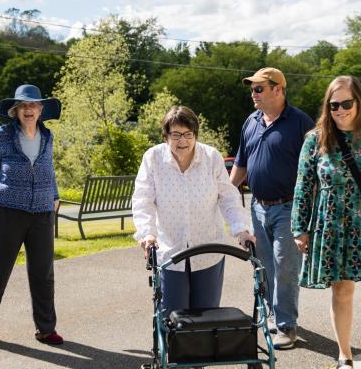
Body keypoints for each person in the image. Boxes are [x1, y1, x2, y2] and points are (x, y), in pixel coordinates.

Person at [132, 105, 253, 318]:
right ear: (165, 135)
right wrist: (147, 233)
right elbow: (143, 200)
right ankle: (174, 352)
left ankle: (203, 352)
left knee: (206, 317)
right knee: (173, 317)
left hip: (208, 250)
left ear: (195, 134)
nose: (183, 141)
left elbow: (228, 198)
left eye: (188, 134)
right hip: (170, 251)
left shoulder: (211, 157)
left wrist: (241, 230)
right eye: (176, 134)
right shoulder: (153, 158)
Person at [230, 67, 314, 350]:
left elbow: (313, 170)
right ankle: (273, 315)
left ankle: (287, 326)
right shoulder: (251, 121)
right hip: (258, 206)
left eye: (259, 89)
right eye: (252, 89)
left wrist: (309, 216)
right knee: (265, 264)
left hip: (289, 208)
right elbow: (241, 164)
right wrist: (225, 195)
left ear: (278, 89)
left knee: (285, 265)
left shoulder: (300, 122)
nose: (253, 94)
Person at [0, 84, 63, 346]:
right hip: (6, 210)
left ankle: (46, 329)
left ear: (41, 110)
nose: (28, 109)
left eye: (33, 105)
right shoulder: (4, 135)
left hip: (42, 213)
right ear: (15, 110)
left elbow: (49, 168)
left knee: (43, 274)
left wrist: (55, 195)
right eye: (23, 105)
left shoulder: (47, 136)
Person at [292, 76, 361, 369]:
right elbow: (303, 186)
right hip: (332, 225)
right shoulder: (315, 139)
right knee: (342, 291)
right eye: (334, 105)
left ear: (358, 102)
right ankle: (345, 355)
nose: (340, 110)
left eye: (347, 103)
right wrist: (300, 228)